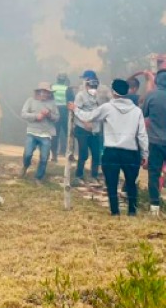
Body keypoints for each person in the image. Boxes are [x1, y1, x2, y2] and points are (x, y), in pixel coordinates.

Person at [71, 79, 148, 216]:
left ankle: (115, 211)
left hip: (111, 151)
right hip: (131, 152)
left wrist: (74, 109)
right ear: (127, 92)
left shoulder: (107, 108)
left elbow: (88, 117)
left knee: (111, 183)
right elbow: (142, 135)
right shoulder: (137, 111)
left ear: (113, 92)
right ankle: (132, 211)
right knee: (131, 183)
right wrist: (144, 155)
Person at [20, 82, 59, 182]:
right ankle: (25, 166)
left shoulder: (52, 103)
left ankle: (38, 177)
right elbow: (23, 114)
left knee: (44, 157)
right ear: (39, 92)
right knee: (28, 154)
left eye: (47, 92)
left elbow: (57, 118)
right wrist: (36, 116)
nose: (45, 94)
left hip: (46, 134)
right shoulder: (30, 101)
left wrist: (49, 115)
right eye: (43, 92)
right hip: (32, 132)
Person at [143, 69, 166, 216]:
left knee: (154, 173)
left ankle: (154, 208)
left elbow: (144, 114)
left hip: (155, 141)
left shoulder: (151, 96)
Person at [73, 76, 102, 185]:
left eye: (95, 86)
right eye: (91, 85)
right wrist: (85, 122)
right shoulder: (80, 96)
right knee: (83, 152)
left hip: (95, 129)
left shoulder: (97, 96)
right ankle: (78, 175)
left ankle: (93, 176)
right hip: (82, 128)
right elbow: (76, 110)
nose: (93, 87)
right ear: (86, 85)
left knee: (96, 154)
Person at [51, 73, 75, 162]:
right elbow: (72, 100)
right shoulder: (67, 89)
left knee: (54, 135)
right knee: (69, 134)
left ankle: (54, 156)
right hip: (65, 113)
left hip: (54, 112)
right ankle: (70, 154)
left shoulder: (52, 87)